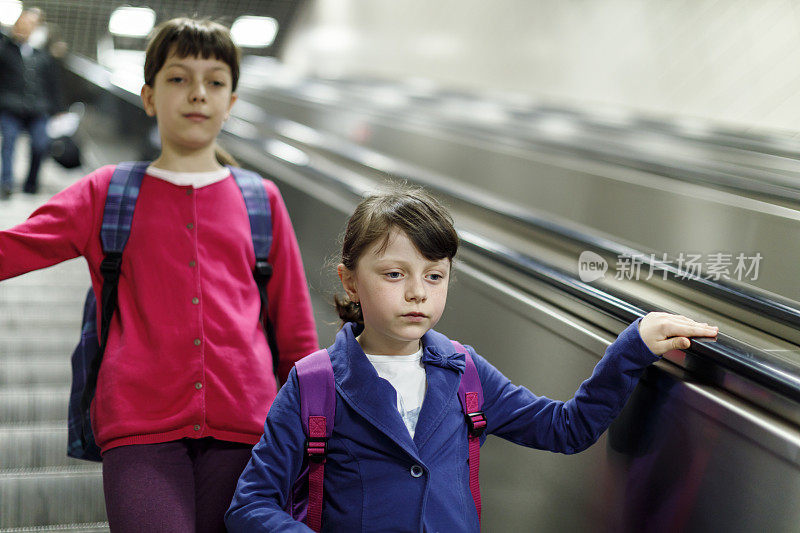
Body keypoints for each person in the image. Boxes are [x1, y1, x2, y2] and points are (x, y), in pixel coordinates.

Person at [224, 185, 719, 532]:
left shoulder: (464, 372)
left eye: (434, 276)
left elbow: (566, 428)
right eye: (395, 274)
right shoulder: (315, 385)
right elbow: (250, 504)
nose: (418, 292)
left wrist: (630, 348)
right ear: (350, 280)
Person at [0, 17, 318, 532]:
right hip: (139, 429)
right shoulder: (107, 192)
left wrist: (310, 429)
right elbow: (11, 248)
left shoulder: (261, 199)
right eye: (177, 78)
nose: (198, 93)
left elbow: (296, 330)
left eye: (215, 81)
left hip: (249, 430)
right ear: (148, 96)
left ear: (231, 102)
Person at [0, 7, 63, 198]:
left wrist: (58, 109)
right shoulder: (5, 49)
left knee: (39, 144)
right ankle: (7, 183)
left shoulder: (44, 54)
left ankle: (31, 183)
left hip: (38, 108)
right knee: (9, 142)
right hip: (11, 107)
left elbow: (53, 83)